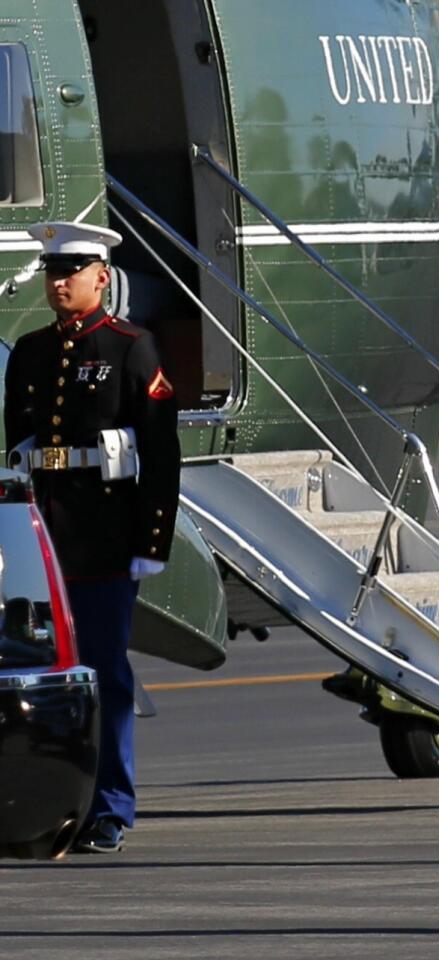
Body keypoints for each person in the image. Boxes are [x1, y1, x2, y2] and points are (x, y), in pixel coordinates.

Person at [4, 222, 180, 853]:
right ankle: (50, 803)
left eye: (71, 271)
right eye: (52, 271)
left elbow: (160, 453)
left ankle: (109, 807)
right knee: (41, 678)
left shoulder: (131, 349)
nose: (58, 282)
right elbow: (18, 450)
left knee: (104, 675)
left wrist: (150, 541)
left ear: (101, 277)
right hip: (45, 541)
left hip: (105, 538)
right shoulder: (30, 352)